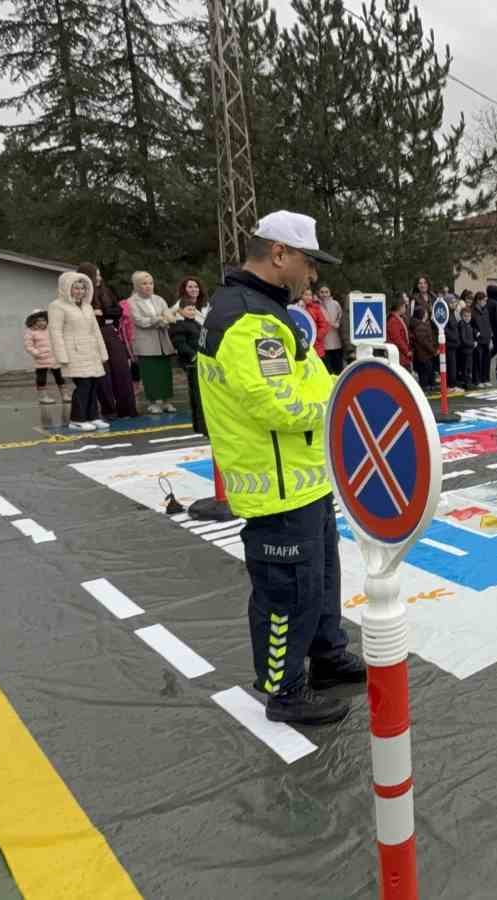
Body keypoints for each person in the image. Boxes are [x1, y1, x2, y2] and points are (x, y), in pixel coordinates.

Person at [197, 209, 364, 726]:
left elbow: (308, 379)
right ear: (279, 254)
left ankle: (326, 654)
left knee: (321, 580)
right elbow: (279, 405)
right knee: (286, 593)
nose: (311, 274)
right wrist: (343, 403)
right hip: (276, 487)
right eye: (308, 262)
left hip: (304, 479)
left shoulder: (270, 313)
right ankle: (284, 688)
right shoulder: (247, 321)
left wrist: (342, 385)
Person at [48, 271, 110, 432]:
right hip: (73, 352)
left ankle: (93, 416)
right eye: (76, 288)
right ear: (66, 288)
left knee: (93, 385)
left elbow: (95, 331)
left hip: (91, 351)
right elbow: (55, 332)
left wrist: (102, 352)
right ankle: (77, 419)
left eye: (83, 288)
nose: (80, 291)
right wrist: (61, 355)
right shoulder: (57, 306)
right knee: (83, 385)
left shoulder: (87, 306)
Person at [78, 262, 138, 420]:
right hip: (92, 336)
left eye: (99, 275)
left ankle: (127, 409)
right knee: (103, 374)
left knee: (121, 370)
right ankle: (109, 410)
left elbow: (118, 311)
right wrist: (99, 314)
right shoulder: (81, 295)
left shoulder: (106, 291)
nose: (99, 278)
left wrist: (103, 313)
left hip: (109, 333)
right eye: (96, 275)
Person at [125, 271, 178, 414]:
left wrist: (164, 320)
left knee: (165, 373)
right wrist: (159, 319)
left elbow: (168, 315)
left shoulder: (159, 299)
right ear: (136, 286)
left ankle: (166, 401)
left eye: (150, 283)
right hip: (145, 343)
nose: (148, 286)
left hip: (162, 341)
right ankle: (153, 402)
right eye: (144, 284)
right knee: (150, 374)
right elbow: (139, 321)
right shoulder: (131, 302)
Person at [169, 288, 207, 435]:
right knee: (195, 390)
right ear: (181, 311)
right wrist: (193, 355)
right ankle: (198, 420)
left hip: (200, 359)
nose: (191, 312)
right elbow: (180, 344)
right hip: (191, 361)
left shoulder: (197, 324)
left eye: (193, 309)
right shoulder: (179, 326)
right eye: (188, 309)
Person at [23, 310, 68, 405]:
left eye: (43, 320)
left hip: (54, 357)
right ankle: (43, 397)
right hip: (41, 359)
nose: (41, 322)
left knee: (60, 377)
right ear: (33, 321)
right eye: (38, 320)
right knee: (41, 378)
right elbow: (28, 346)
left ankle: (65, 395)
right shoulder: (30, 332)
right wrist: (37, 353)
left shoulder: (50, 330)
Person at [316, 285, 349, 374]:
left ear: (330, 293)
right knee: (327, 371)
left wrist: (337, 323)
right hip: (323, 344)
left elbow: (341, 317)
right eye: (322, 292)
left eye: (326, 292)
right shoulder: (316, 305)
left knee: (338, 369)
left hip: (336, 341)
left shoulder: (335, 304)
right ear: (318, 293)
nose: (324, 294)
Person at [298, 287, 331, 363]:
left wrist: (316, 337)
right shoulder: (296, 308)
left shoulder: (316, 308)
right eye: (306, 295)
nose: (308, 297)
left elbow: (324, 325)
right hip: (302, 343)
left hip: (316, 345)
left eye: (310, 295)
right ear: (301, 295)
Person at [410, 305, 438, 388]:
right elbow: (425, 342)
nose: (427, 314)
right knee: (425, 373)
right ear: (421, 314)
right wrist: (433, 350)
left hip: (424, 354)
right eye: (425, 313)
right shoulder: (420, 326)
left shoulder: (421, 324)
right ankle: (425, 387)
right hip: (424, 354)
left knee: (427, 371)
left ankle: (429, 385)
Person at [450, 303, 476, 389]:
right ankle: (466, 383)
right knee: (465, 368)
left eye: (469, 316)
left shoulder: (468, 325)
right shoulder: (462, 325)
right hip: (465, 351)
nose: (467, 318)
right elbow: (463, 339)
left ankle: (468, 382)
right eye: (465, 316)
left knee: (469, 367)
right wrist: (473, 344)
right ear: (462, 316)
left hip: (469, 351)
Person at [471, 290, 494, 385]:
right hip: (478, 340)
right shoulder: (472, 311)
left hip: (487, 339)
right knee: (478, 361)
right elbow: (470, 325)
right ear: (478, 300)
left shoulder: (485, 310)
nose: (485, 302)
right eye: (484, 300)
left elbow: (489, 324)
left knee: (486, 360)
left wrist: (491, 338)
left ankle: (485, 379)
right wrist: (476, 333)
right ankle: (477, 380)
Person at [386, 295, 414, 372]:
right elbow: (397, 339)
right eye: (404, 306)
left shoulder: (398, 318)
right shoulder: (393, 321)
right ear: (400, 307)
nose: (405, 308)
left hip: (402, 356)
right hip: (400, 357)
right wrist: (407, 351)